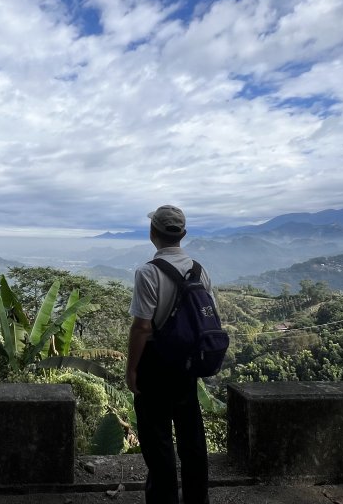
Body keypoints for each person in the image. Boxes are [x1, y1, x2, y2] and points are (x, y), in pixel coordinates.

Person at [126, 205, 214, 504]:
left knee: (158, 439)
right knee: (191, 437)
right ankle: (196, 499)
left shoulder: (148, 273)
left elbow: (141, 328)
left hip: (155, 366)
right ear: (183, 235)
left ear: (153, 234)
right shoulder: (200, 271)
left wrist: (132, 370)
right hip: (188, 365)